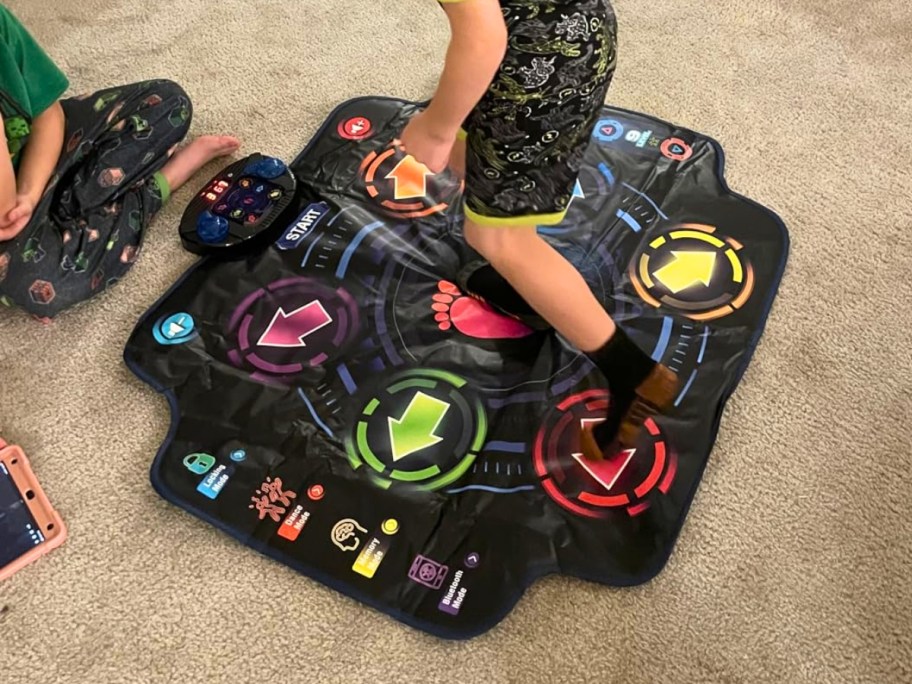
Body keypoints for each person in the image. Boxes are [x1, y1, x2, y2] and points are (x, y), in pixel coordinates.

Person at [398, 0, 678, 459]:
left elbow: (482, 37)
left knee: (496, 238)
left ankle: (636, 376)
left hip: (534, 66)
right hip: (581, 32)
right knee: (481, 156)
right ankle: (513, 248)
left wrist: (436, 128)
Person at [0, 3, 239, 319]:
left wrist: (30, 192)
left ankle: (77, 213)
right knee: (42, 285)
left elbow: (49, 115)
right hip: (10, 220)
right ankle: (154, 187)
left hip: (42, 158)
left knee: (167, 101)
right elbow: (5, 212)